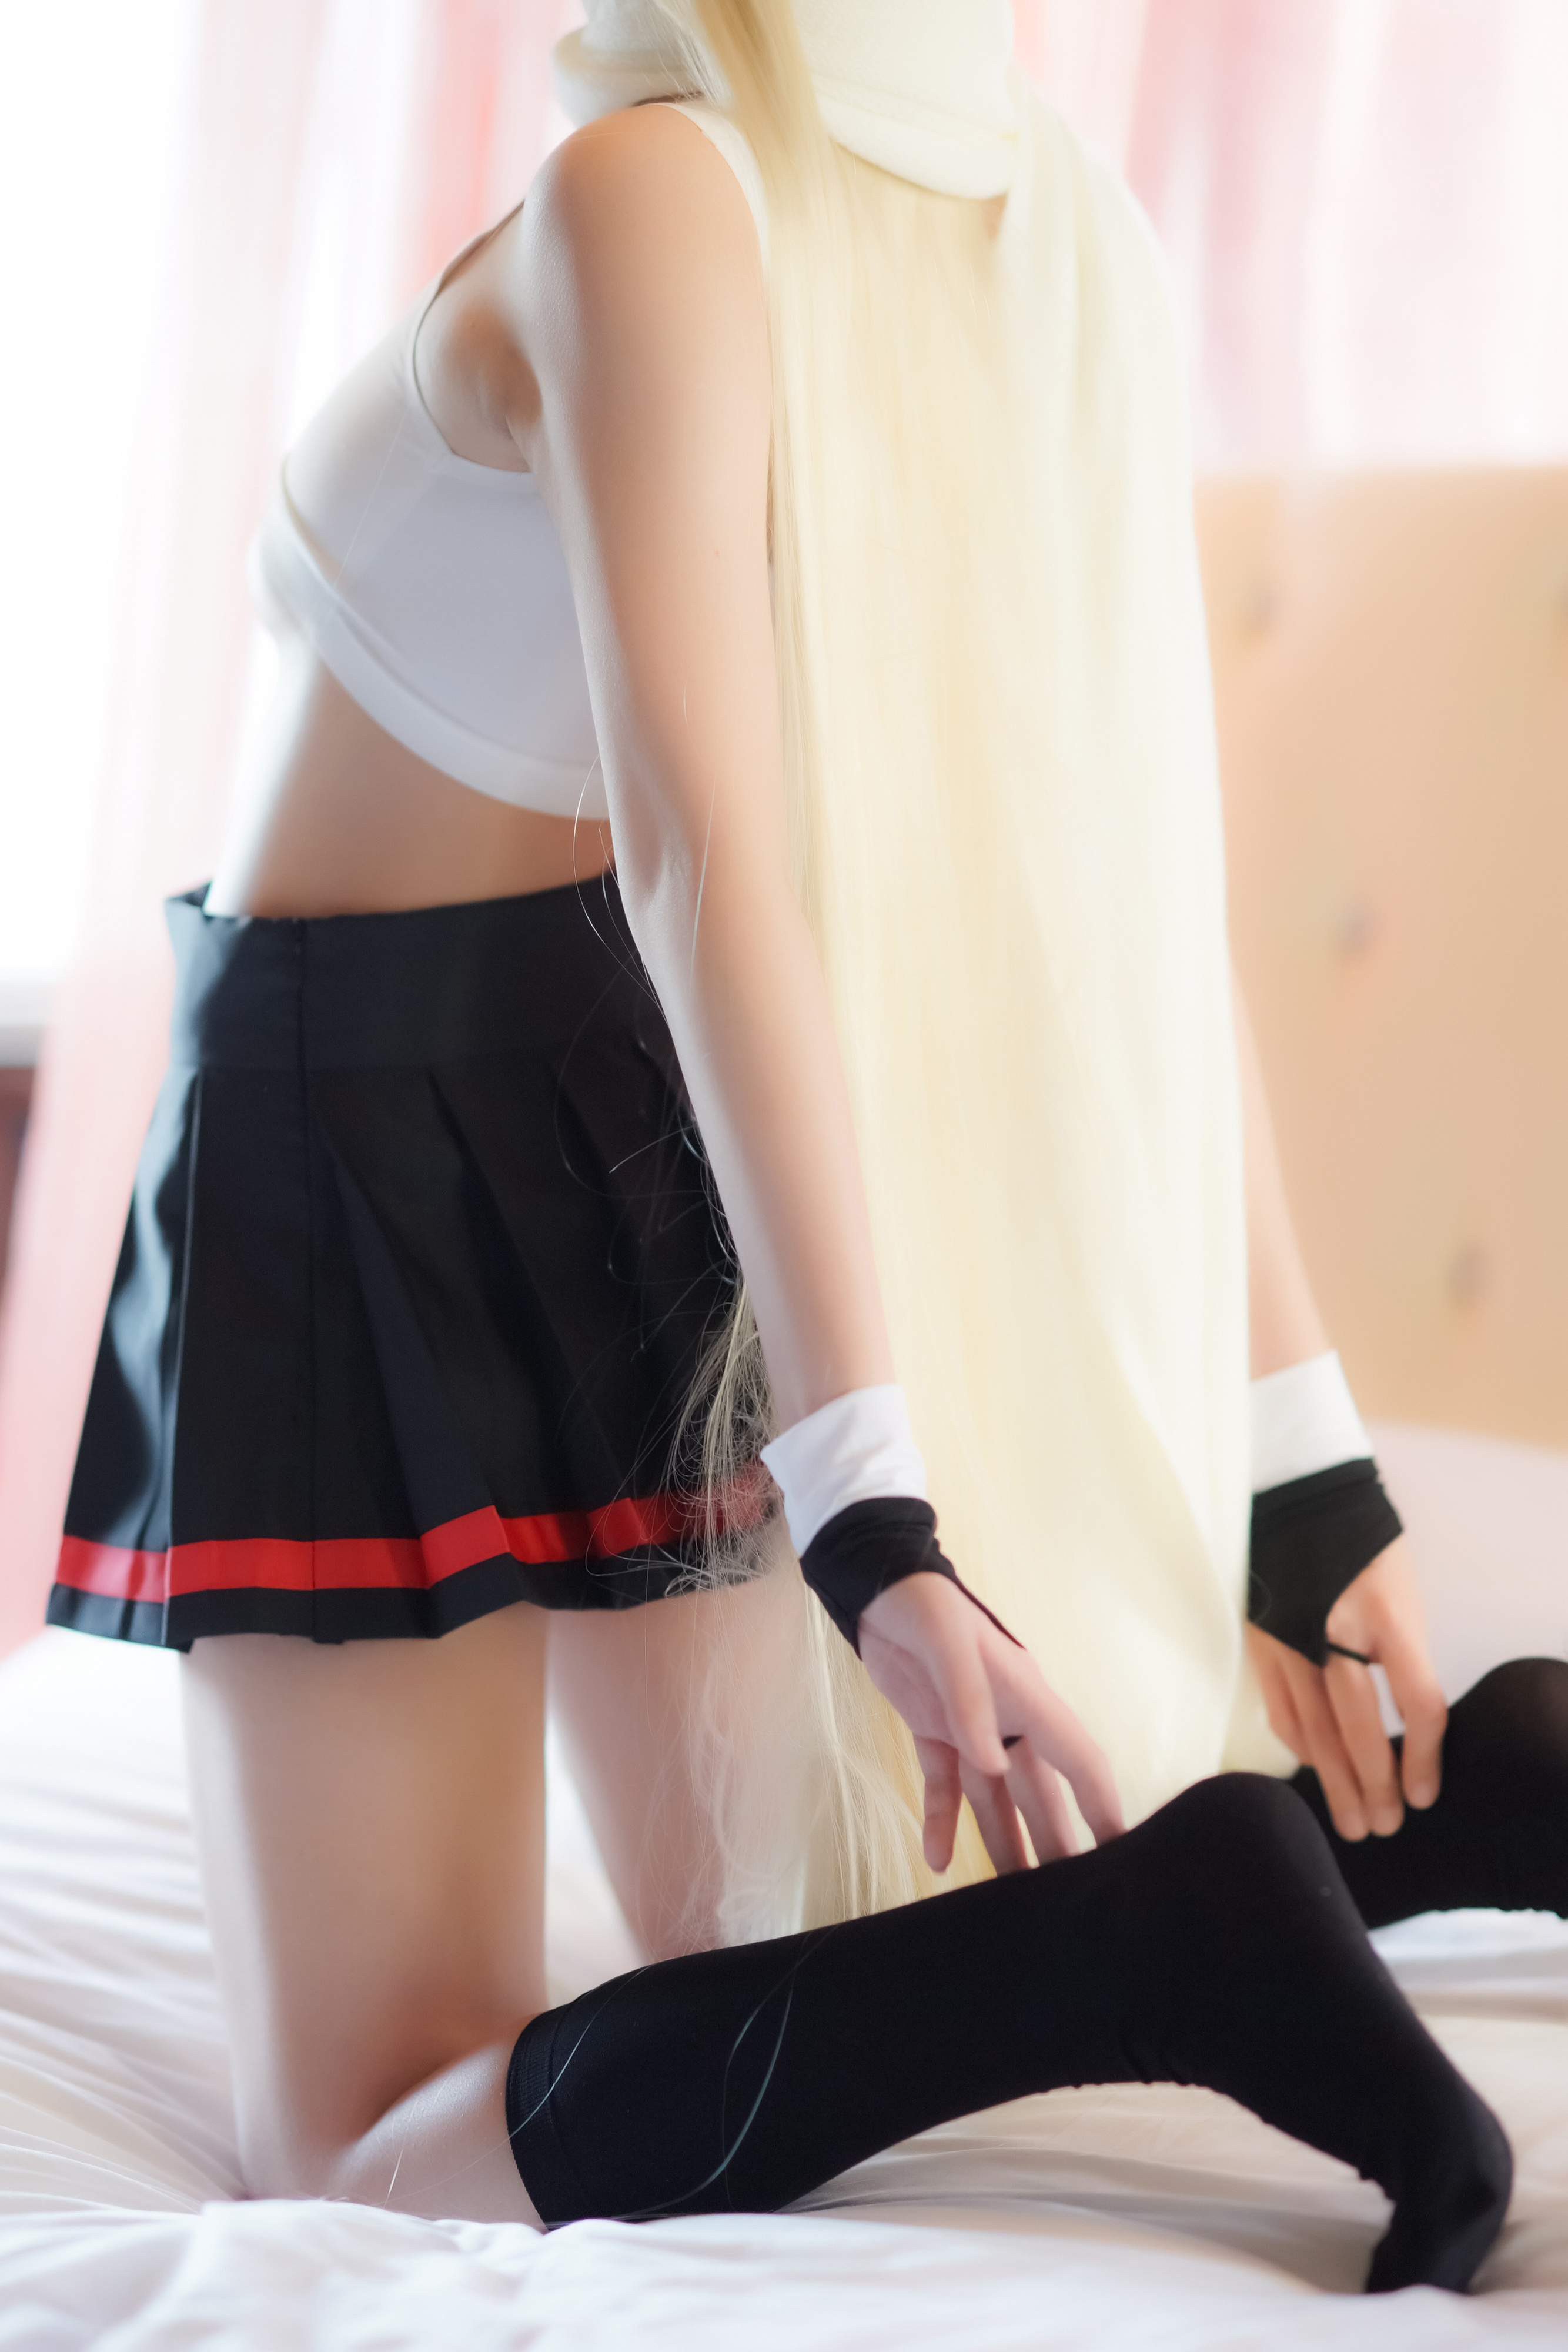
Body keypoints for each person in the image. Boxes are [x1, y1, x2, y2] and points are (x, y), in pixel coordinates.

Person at [43, 0, 1562, 2288]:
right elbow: (1108, 879)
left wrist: (881, 1522)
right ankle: (1457, 1812)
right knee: (774, 1935)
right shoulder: (1024, 225)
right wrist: (1299, 1460)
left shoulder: (655, 189)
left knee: (355, 2133)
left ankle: (1155, 1937)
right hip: (648, 1108)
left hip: (355, 1112)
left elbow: (709, 863)